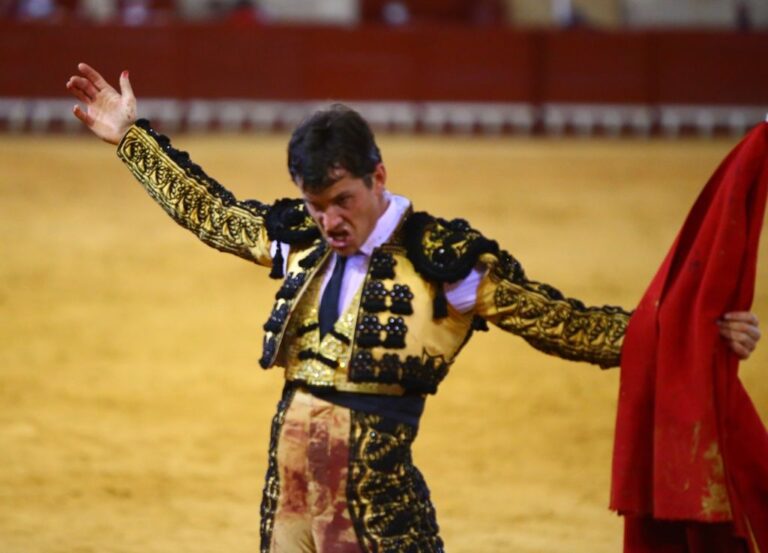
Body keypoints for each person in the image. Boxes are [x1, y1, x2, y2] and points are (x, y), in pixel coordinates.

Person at [66, 63, 761, 553]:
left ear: (378, 177)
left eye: (343, 201)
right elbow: (213, 212)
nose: (330, 220)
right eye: (316, 205)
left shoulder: (443, 259)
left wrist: (695, 332)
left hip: (382, 512)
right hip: (288, 503)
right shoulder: (300, 238)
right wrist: (134, 140)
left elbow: (566, 323)